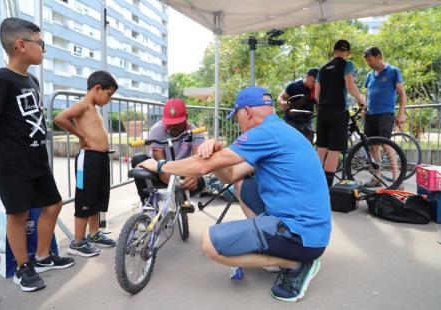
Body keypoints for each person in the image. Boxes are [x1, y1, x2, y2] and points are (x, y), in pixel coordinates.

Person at [138, 86, 331, 302]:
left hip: (300, 234)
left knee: (210, 243)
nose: (237, 122)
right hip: (311, 229)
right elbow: (230, 176)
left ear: (247, 111)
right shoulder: (280, 130)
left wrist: (159, 165)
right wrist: (217, 152)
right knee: (242, 185)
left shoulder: (264, 133)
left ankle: (294, 264)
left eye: (237, 115)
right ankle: (276, 249)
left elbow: (201, 168)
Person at [0, 17, 74, 292]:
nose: (44, 49)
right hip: (12, 162)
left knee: (53, 204)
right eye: (41, 43)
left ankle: (43, 256)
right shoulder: (1, 79)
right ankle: (24, 268)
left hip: (36, 159)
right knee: (18, 215)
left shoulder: (30, 79)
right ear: (21, 45)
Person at [54, 71, 118, 257]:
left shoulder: (93, 107)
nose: (109, 99)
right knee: (85, 198)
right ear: (98, 88)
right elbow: (60, 118)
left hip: (100, 158)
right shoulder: (83, 105)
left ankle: (94, 234)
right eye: (109, 94)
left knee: (98, 196)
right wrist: (81, 136)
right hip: (88, 160)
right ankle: (77, 242)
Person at [132, 98, 205, 210]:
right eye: (170, 123)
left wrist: (194, 176)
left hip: (182, 171)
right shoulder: (157, 130)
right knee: (138, 159)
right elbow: (160, 165)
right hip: (161, 171)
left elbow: (198, 158)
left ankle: (178, 202)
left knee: (200, 180)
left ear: (186, 117)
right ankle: (147, 204)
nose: (173, 126)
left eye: (177, 123)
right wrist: (175, 184)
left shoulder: (194, 131)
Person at [315, 39, 366, 187]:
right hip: (338, 112)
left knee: (321, 149)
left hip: (323, 112)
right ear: (347, 53)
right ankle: (326, 187)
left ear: (334, 51)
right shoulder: (347, 65)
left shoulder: (322, 69)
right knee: (334, 151)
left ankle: (315, 185)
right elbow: (350, 86)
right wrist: (362, 101)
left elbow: (317, 95)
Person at [363, 46, 407, 187]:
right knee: (372, 146)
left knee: (386, 144)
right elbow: (367, 93)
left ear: (378, 56)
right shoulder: (370, 75)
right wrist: (363, 106)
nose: (369, 63)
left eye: (370, 60)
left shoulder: (393, 71)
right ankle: (377, 177)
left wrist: (401, 112)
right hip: (370, 114)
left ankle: (397, 179)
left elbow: (401, 93)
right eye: (367, 61)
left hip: (385, 113)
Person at [277, 68, 319, 141]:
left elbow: (319, 107)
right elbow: (280, 97)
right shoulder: (294, 86)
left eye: (317, 82)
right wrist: (282, 103)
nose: (314, 85)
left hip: (307, 123)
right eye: (313, 81)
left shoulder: (316, 89)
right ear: (307, 77)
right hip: (291, 122)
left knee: (308, 145)